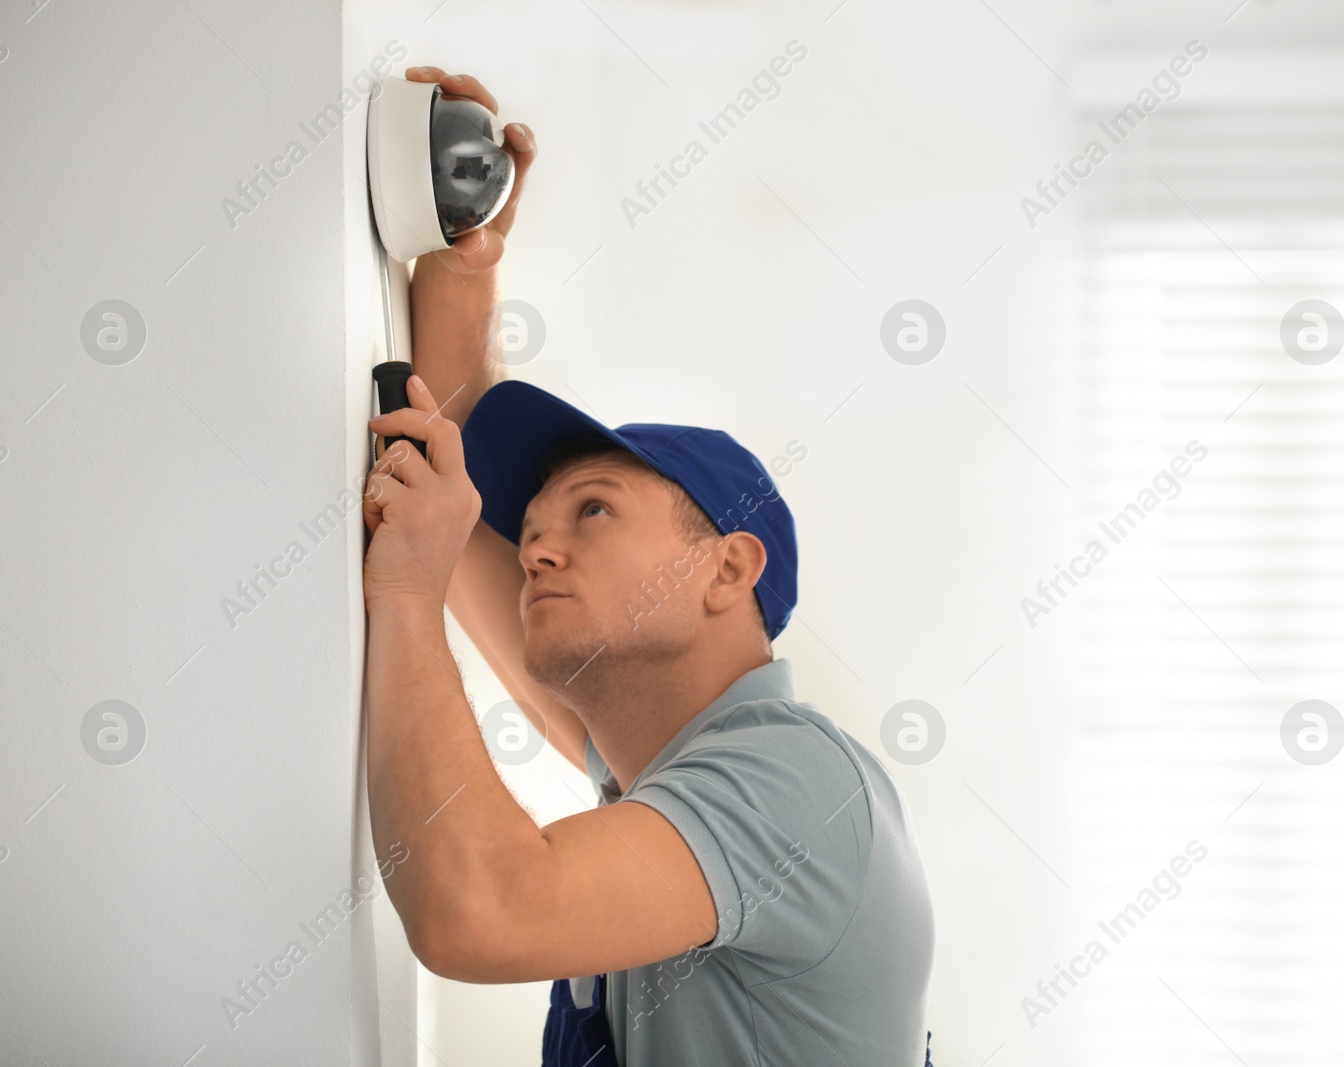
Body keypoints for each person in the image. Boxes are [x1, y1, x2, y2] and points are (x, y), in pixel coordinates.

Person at [361, 65, 936, 1066]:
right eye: (536, 520)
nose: (537, 544)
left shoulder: (796, 784)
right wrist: (468, 247)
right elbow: (451, 427)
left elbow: (482, 910)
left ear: (725, 569)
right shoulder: (648, 768)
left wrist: (407, 593)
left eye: (592, 510)